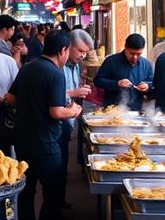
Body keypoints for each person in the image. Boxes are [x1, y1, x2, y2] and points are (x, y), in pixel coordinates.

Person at [7, 30, 83, 220]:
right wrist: (74, 111)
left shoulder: (27, 67)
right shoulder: (56, 74)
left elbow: (9, 98)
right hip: (47, 144)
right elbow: (56, 112)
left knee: (26, 190)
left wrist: (31, 106)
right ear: (63, 50)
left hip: (23, 142)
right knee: (53, 193)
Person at [59, 28, 94, 208]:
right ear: (68, 47)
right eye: (80, 51)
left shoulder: (76, 65)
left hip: (68, 120)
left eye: (85, 53)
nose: (82, 56)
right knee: (56, 166)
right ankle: (55, 204)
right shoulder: (57, 65)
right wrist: (73, 92)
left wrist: (78, 92)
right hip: (56, 122)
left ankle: (59, 200)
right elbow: (50, 94)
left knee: (62, 164)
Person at [94, 34, 154, 111]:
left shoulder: (146, 64)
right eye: (132, 53)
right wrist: (117, 84)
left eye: (138, 54)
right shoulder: (111, 61)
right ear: (125, 47)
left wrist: (147, 86)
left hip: (137, 111)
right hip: (113, 111)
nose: (135, 57)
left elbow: (152, 82)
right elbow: (98, 81)